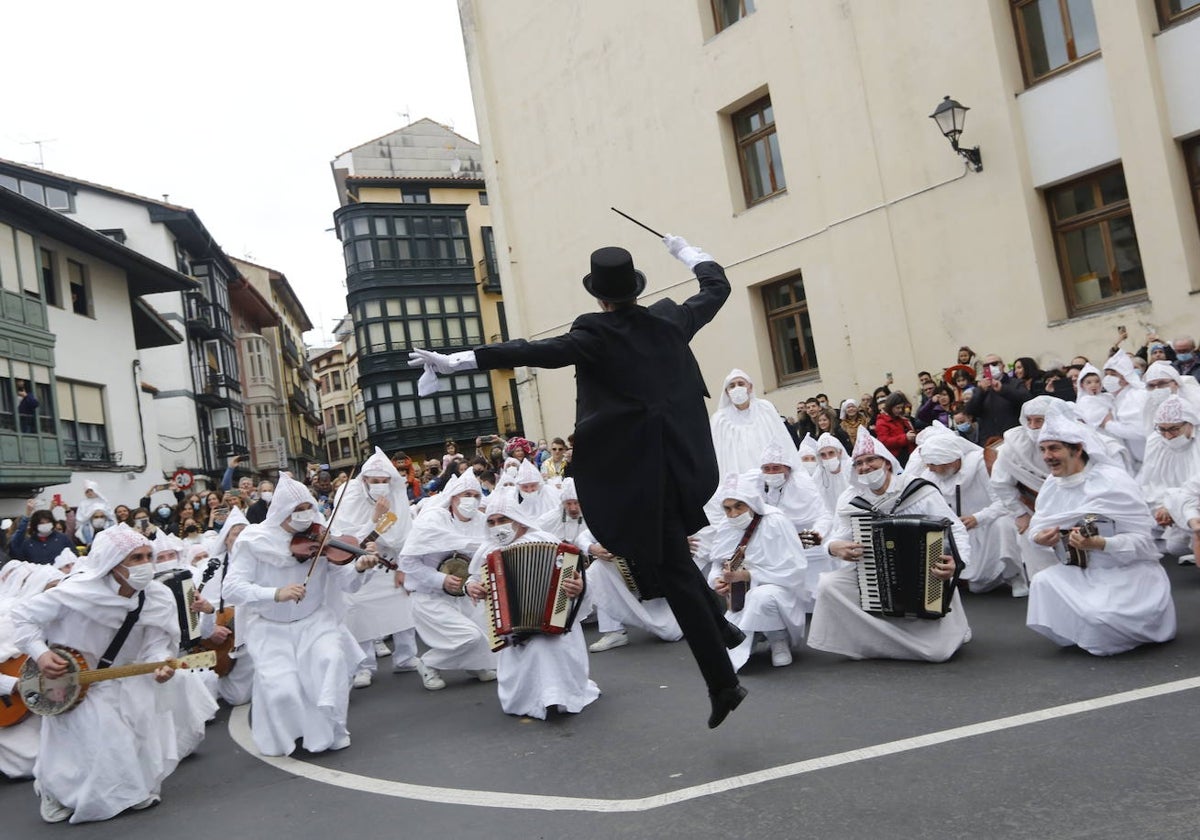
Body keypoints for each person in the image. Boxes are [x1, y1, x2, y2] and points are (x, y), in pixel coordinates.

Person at [410, 237, 749, 728]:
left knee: (670, 570)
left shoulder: (594, 333)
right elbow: (716, 286)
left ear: (599, 297)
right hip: (684, 465)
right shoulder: (670, 319)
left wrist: (456, 360)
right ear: (635, 289)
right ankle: (722, 634)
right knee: (668, 559)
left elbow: (531, 351)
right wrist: (687, 251)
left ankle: (723, 681)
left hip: (634, 475)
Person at [10, 525, 183, 822]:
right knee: (98, 744)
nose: (145, 565)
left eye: (147, 556)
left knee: (132, 742)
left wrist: (162, 664)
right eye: (135, 559)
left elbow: (157, 645)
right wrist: (41, 653)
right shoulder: (74, 592)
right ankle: (59, 792)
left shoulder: (158, 597)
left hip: (128, 679)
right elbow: (23, 617)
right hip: (75, 681)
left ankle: (129, 791)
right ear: (112, 565)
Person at [222, 473, 380, 756]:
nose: (305, 515)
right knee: (283, 689)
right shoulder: (253, 540)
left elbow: (345, 582)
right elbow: (231, 588)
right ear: (281, 512)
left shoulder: (322, 538)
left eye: (308, 507)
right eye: (296, 510)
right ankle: (291, 733)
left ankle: (331, 729)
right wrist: (274, 593)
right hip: (270, 627)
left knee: (329, 663)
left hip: (315, 621)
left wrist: (360, 569)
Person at [807, 431, 972, 662]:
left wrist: (956, 561)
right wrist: (834, 547)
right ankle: (871, 641)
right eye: (859, 463)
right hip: (872, 573)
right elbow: (835, 536)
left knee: (938, 653)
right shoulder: (850, 499)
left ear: (886, 462)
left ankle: (936, 634)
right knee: (828, 584)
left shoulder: (918, 491)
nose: (865, 467)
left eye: (870, 460)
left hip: (925, 574)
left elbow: (954, 529)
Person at [1026, 416, 1176, 656]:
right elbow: (1038, 527)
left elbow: (1143, 542)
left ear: (1077, 449)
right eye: (1043, 449)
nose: (1047, 456)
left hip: (1127, 572)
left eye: (1054, 448)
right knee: (1043, 582)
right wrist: (1040, 538)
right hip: (1081, 571)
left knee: (1098, 618)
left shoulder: (1111, 481)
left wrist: (1101, 543)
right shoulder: (1052, 486)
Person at [464, 489, 597, 719]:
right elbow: (474, 579)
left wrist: (578, 589)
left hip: (555, 620)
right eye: (492, 521)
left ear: (518, 520)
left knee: (545, 646)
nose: (497, 526)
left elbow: (578, 579)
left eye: (503, 519)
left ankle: (554, 698)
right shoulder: (487, 551)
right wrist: (470, 587)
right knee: (533, 647)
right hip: (511, 628)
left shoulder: (548, 542)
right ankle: (537, 698)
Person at [556, 478, 683, 653]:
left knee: (671, 633)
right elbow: (584, 538)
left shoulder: (656, 514)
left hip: (658, 587)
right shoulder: (612, 517)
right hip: (628, 576)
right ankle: (613, 631)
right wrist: (594, 549)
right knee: (598, 569)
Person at [397, 471, 497, 690]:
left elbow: (484, 558)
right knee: (470, 637)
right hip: (429, 596)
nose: (471, 499)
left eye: (475, 495)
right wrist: (439, 579)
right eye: (465, 494)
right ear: (453, 497)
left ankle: (475, 664)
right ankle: (429, 663)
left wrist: (472, 582)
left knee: (492, 639)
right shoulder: (433, 518)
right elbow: (407, 561)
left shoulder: (482, 522)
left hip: (464, 596)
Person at [335, 448, 418, 689]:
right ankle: (365, 666)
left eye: (384, 481)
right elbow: (348, 539)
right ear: (364, 480)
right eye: (375, 481)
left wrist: (404, 567)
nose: (380, 485)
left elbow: (404, 534)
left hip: (391, 565)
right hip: (362, 566)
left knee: (403, 611)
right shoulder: (349, 497)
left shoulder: (398, 496)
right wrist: (375, 517)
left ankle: (406, 656)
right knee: (360, 615)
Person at [708, 475, 809, 670]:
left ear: (752, 503)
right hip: (737, 596)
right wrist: (717, 581)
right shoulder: (725, 526)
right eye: (727, 508)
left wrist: (749, 576)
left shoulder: (776, 521)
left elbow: (795, 570)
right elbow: (717, 564)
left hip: (780, 590)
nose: (733, 514)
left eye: (739, 506)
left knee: (761, 596)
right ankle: (751, 634)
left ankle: (778, 639)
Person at [916, 433, 1024, 596]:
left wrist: (977, 518)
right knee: (977, 587)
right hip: (959, 531)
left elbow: (1004, 501)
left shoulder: (981, 465)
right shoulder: (930, 476)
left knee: (1004, 525)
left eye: (933, 464)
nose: (930, 468)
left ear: (951, 460)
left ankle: (1015, 576)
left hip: (988, 525)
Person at [1137, 396, 1200, 560]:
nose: (1168, 436)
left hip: (1193, 502)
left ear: (1190, 423)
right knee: (1174, 546)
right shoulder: (1155, 442)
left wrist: (1174, 505)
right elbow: (1151, 482)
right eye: (1162, 429)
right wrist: (1162, 508)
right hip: (1174, 507)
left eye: (1173, 429)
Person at [710, 369, 798, 477]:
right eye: (732, 386)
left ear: (750, 387)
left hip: (770, 474)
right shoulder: (720, 419)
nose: (737, 388)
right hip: (738, 480)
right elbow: (718, 454)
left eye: (741, 384)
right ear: (726, 392)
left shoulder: (765, 408)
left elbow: (783, 439)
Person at [9, 499, 76, 565]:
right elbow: (17, 542)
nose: (45, 525)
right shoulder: (28, 543)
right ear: (35, 525)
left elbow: (74, 556)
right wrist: (27, 514)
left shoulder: (62, 538)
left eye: (48, 522)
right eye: (42, 523)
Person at [874, 392, 917, 466]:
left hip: (910, 454)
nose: (900, 410)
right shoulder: (882, 422)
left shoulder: (902, 419)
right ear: (890, 407)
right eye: (897, 408)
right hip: (898, 458)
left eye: (902, 407)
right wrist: (905, 438)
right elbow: (884, 441)